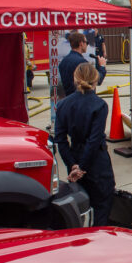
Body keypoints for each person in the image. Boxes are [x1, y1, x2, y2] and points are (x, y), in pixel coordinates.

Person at [53, 62, 115, 226]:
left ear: (75, 79)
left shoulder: (62, 105)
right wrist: (82, 167)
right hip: (96, 162)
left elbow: (60, 139)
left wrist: (72, 164)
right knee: (102, 203)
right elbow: (94, 140)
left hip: (75, 157)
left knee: (80, 205)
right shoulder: (99, 105)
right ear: (95, 80)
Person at [59, 31, 106, 96]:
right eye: (86, 43)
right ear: (81, 44)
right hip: (82, 100)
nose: (87, 45)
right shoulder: (82, 63)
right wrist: (102, 66)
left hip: (69, 99)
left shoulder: (63, 62)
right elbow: (97, 80)